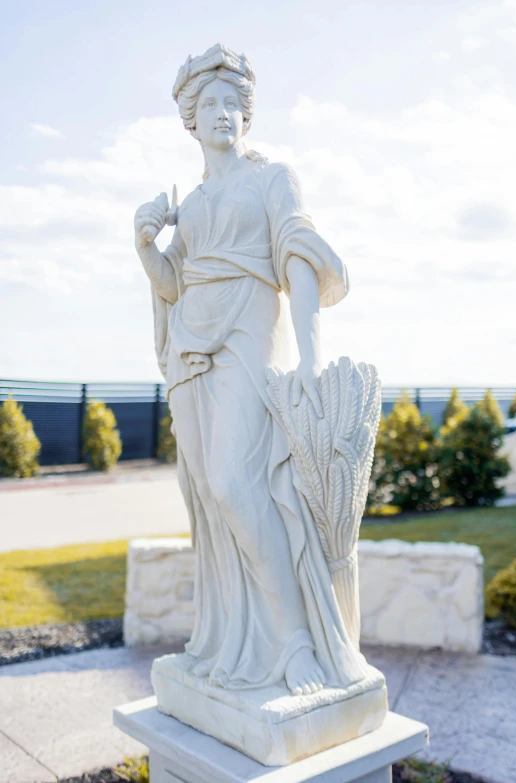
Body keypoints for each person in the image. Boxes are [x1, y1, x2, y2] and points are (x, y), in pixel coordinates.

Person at [134, 43, 368, 696]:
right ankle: (231, 641)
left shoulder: (273, 178)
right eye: (210, 104)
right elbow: (173, 283)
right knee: (210, 495)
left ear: (247, 115)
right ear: (191, 118)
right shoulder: (194, 206)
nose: (224, 114)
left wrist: (311, 361)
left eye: (234, 103)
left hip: (248, 333)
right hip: (191, 349)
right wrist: (145, 245)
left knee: (240, 483)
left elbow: (297, 257)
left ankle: (295, 641)